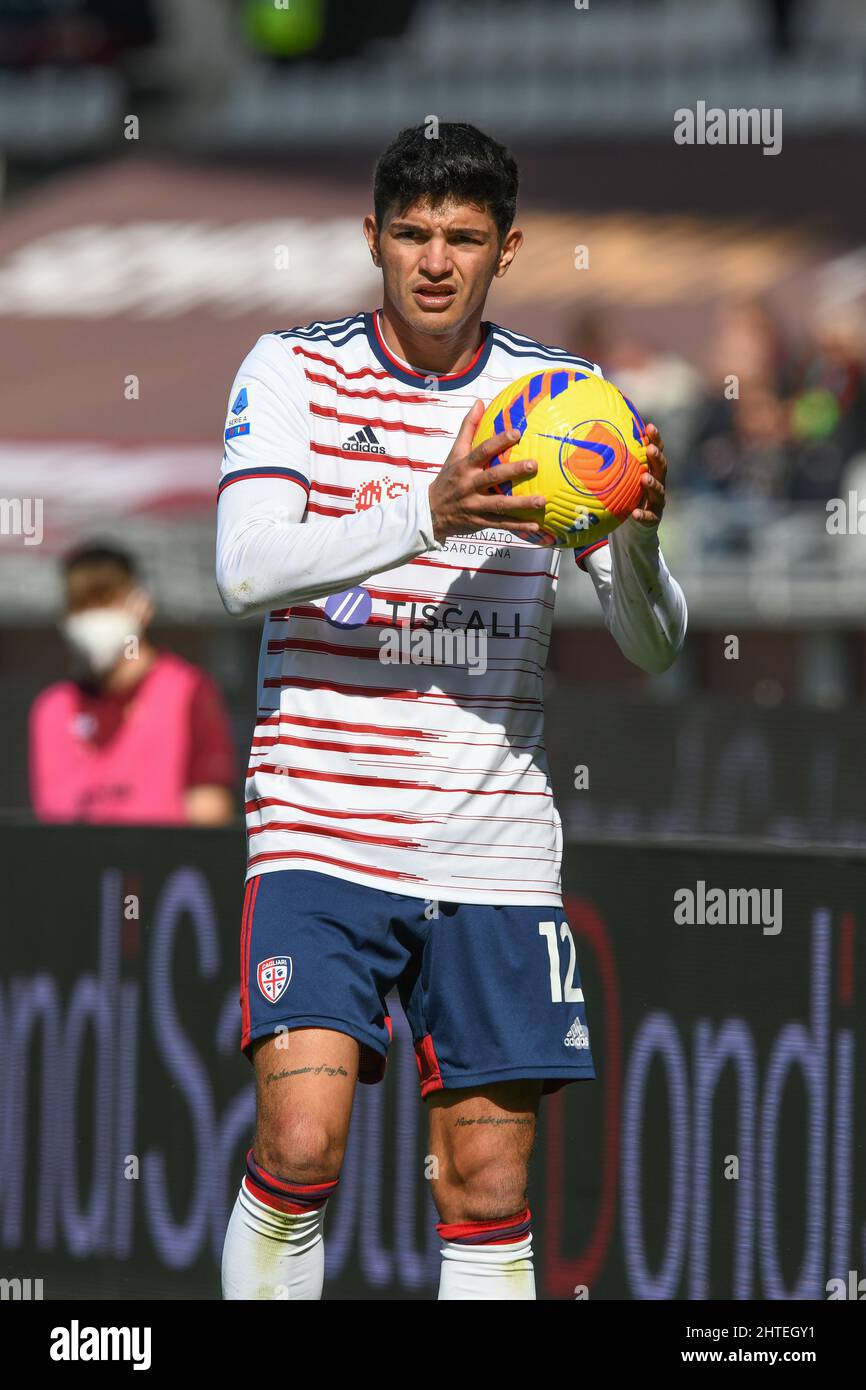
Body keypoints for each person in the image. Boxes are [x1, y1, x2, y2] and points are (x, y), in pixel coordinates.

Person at [216, 122, 687, 1301]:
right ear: (370, 237)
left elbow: (652, 641)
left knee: (483, 1181)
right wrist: (428, 509)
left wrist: (632, 542)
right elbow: (242, 568)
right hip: (321, 826)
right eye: (413, 234)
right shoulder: (293, 372)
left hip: (494, 846)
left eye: (463, 238)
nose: (435, 260)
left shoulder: (565, 408)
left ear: (507, 248)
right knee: (302, 1139)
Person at [29, 542, 236, 825]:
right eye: (82, 605)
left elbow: (209, 813)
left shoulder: (188, 690)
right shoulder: (52, 709)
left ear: (142, 605)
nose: (94, 617)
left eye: (107, 601)